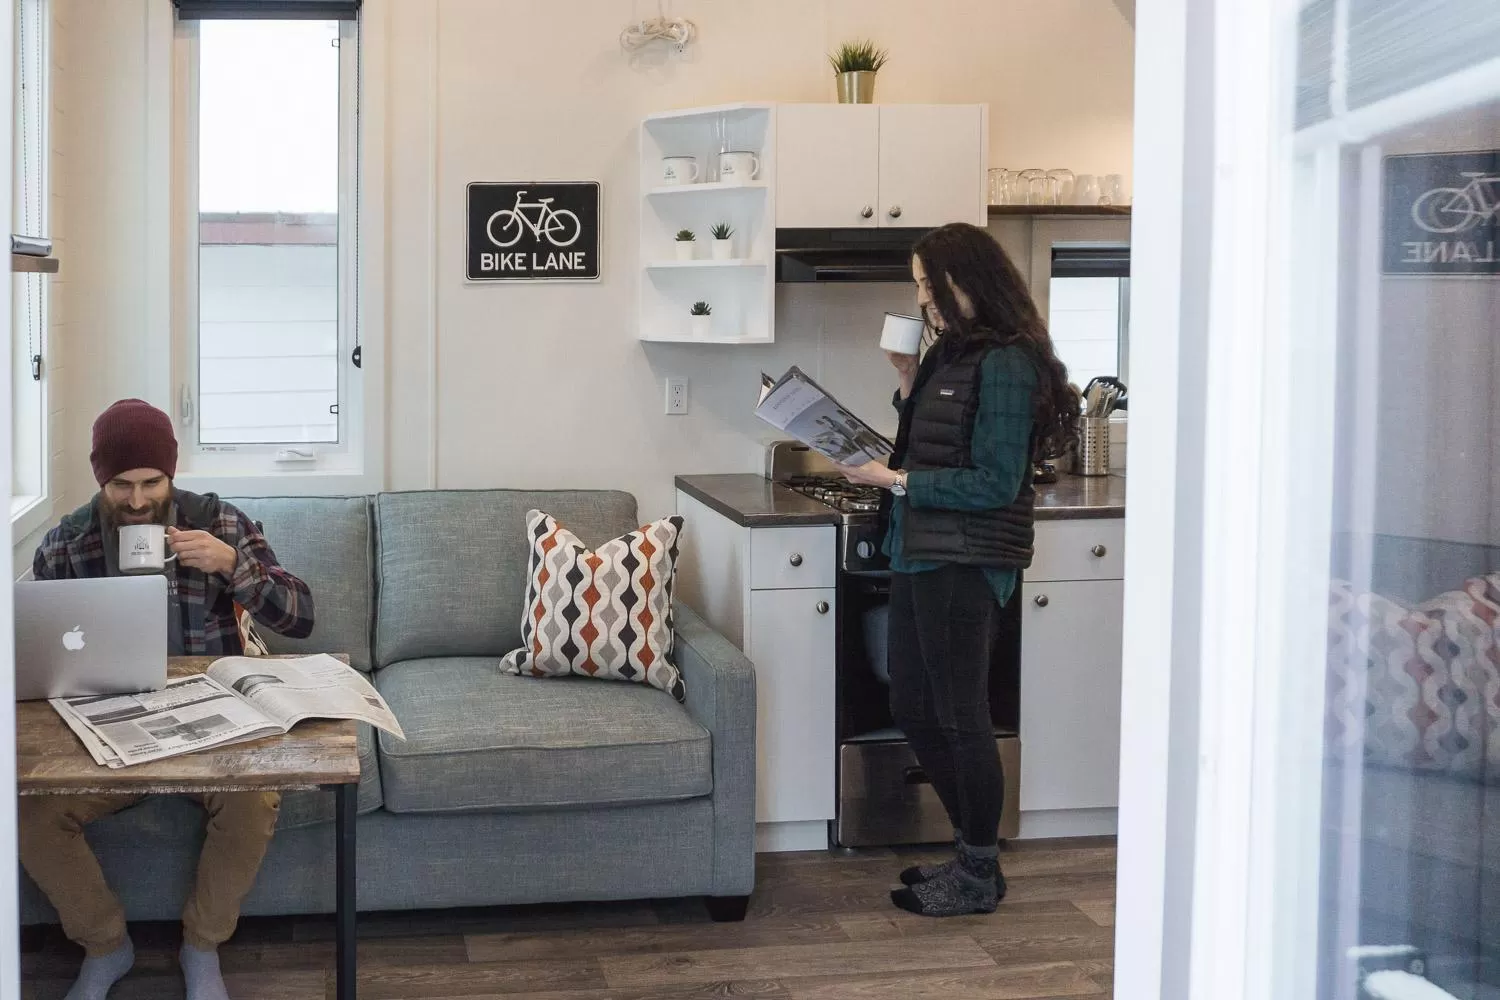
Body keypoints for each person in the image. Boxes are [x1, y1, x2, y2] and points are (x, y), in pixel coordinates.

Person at [19, 399, 315, 1000]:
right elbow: (34, 657)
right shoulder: (65, 545)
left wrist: (234, 565)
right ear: (99, 478)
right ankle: (106, 946)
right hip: (107, 726)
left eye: (150, 482)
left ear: (171, 475)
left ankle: (201, 946)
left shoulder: (221, 524)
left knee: (256, 800)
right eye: (119, 484)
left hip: (210, 723)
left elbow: (302, 617)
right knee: (28, 818)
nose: (135, 500)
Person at [837, 223, 1079, 917]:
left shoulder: (1008, 362)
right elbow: (930, 444)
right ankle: (972, 853)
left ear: (967, 281)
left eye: (926, 284)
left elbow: (997, 482)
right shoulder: (952, 353)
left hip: (967, 557)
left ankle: (977, 871)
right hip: (921, 549)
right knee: (913, 705)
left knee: (960, 713)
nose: (922, 299)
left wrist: (895, 480)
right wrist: (909, 381)